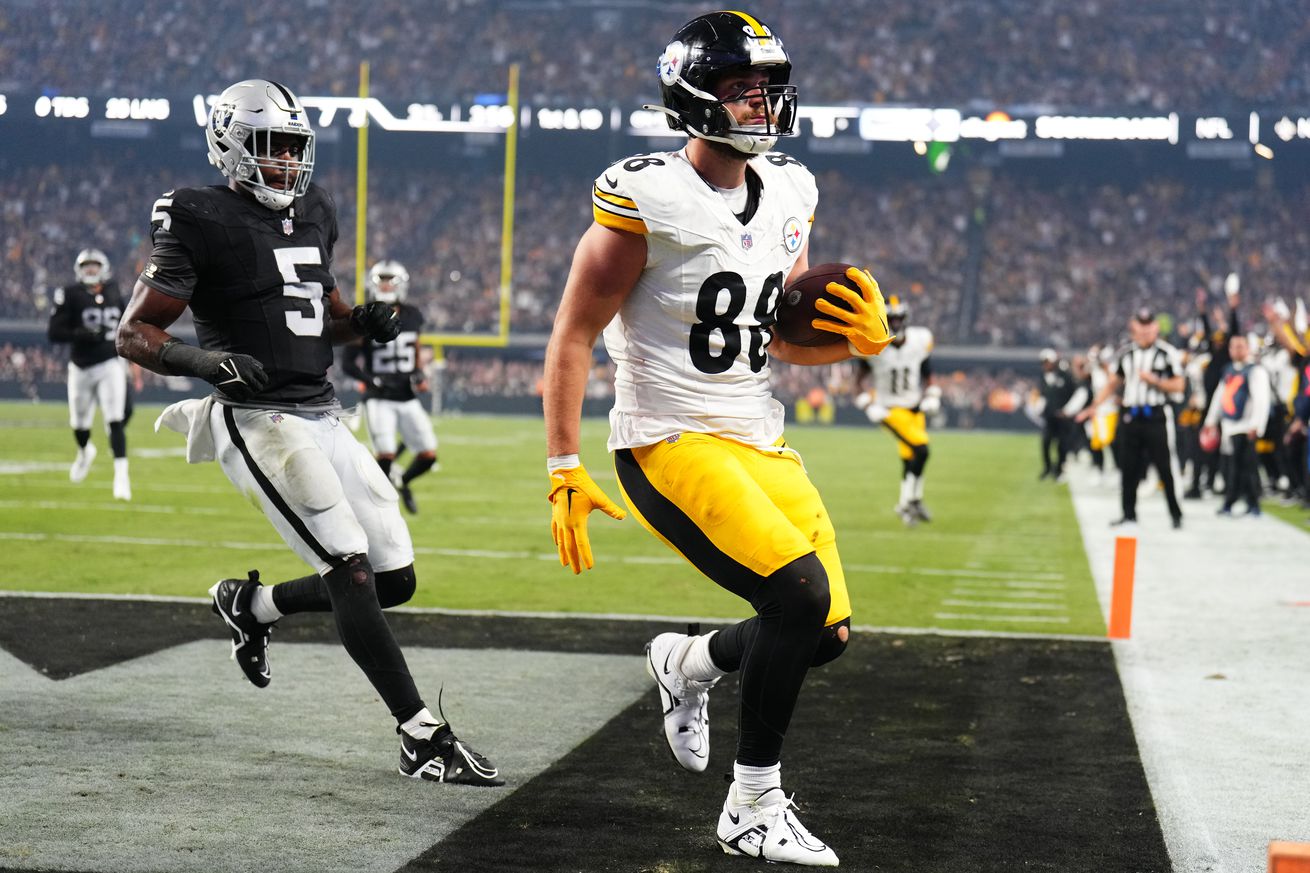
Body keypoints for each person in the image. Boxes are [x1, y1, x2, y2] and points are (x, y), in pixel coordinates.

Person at [543, 12, 893, 867]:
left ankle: (688, 660)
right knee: (796, 598)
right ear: (693, 96)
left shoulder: (793, 191)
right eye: (743, 88)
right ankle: (752, 806)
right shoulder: (647, 197)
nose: (763, 104)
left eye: (769, 87)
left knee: (826, 634)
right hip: (669, 438)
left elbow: (773, 335)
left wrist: (859, 342)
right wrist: (564, 462)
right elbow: (574, 333)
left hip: (757, 433)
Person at [116, 79, 501, 787]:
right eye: (271, 148)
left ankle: (251, 605)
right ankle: (420, 735)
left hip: (323, 410)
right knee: (348, 567)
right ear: (230, 145)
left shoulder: (314, 208)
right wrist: (205, 361)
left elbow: (323, 312)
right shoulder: (198, 213)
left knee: (395, 579)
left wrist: (362, 323)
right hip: (259, 418)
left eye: (295, 148)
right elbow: (132, 332)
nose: (287, 163)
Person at [341, 259, 439, 514]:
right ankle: (376, 506)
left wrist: (418, 372)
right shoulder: (365, 315)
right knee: (385, 454)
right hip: (379, 396)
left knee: (428, 455)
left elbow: (415, 346)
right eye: (380, 281)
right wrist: (369, 380)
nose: (385, 286)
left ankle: (402, 482)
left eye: (390, 281)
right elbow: (348, 363)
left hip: (406, 395)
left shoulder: (413, 315)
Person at [1078, 307, 1185, 528]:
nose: (1145, 332)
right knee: (1129, 467)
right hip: (1131, 417)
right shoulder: (1126, 354)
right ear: (1133, 328)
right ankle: (1128, 514)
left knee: (1164, 467)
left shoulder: (1167, 353)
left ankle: (1175, 514)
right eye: (1140, 327)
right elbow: (1112, 383)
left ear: (1155, 328)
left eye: (1149, 327)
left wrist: (1155, 381)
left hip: (1155, 415)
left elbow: (1178, 385)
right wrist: (1094, 406)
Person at [47, 248, 133, 500]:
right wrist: (79, 334)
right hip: (81, 365)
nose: (91, 270)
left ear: (103, 268)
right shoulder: (70, 294)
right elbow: (54, 332)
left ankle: (121, 476)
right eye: (87, 266)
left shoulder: (115, 290)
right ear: (79, 270)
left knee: (115, 419)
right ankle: (85, 452)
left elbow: (129, 321)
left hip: (110, 363)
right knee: (79, 425)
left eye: (95, 265)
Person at [851, 294, 940, 525]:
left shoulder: (919, 341)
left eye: (900, 319)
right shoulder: (875, 346)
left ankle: (908, 503)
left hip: (914, 407)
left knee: (911, 458)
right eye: (893, 319)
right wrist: (867, 403)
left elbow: (928, 374)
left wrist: (931, 394)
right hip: (890, 410)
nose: (897, 324)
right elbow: (858, 380)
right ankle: (911, 501)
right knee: (922, 451)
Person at [1203, 333, 1272, 516]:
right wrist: (1210, 421)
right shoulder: (1228, 370)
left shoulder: (1255, 371)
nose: (1236, 350)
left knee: (1246, 468)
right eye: (1233, 346)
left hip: (1245, 426)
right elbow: (1220, 397)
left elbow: (1262, 400)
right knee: (1232, 466)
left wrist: (1257, 425)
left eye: (1241, 346)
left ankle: (1249, 504)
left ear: (1248, 348)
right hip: (1230, 426)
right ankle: (1237, 502)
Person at [1037, 348, 1075, 481]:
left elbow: (1073, 393)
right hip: (1049, 416)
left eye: (1046, 362)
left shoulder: (1065, 375)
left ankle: (1059, 469)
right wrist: (1039, 408)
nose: (1045, 365)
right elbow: (1043, 395)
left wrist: (1067, 410)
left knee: (1062, 444)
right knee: (1046, 442)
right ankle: (1047, 468)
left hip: (1063, 418)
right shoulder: (1043, 376)